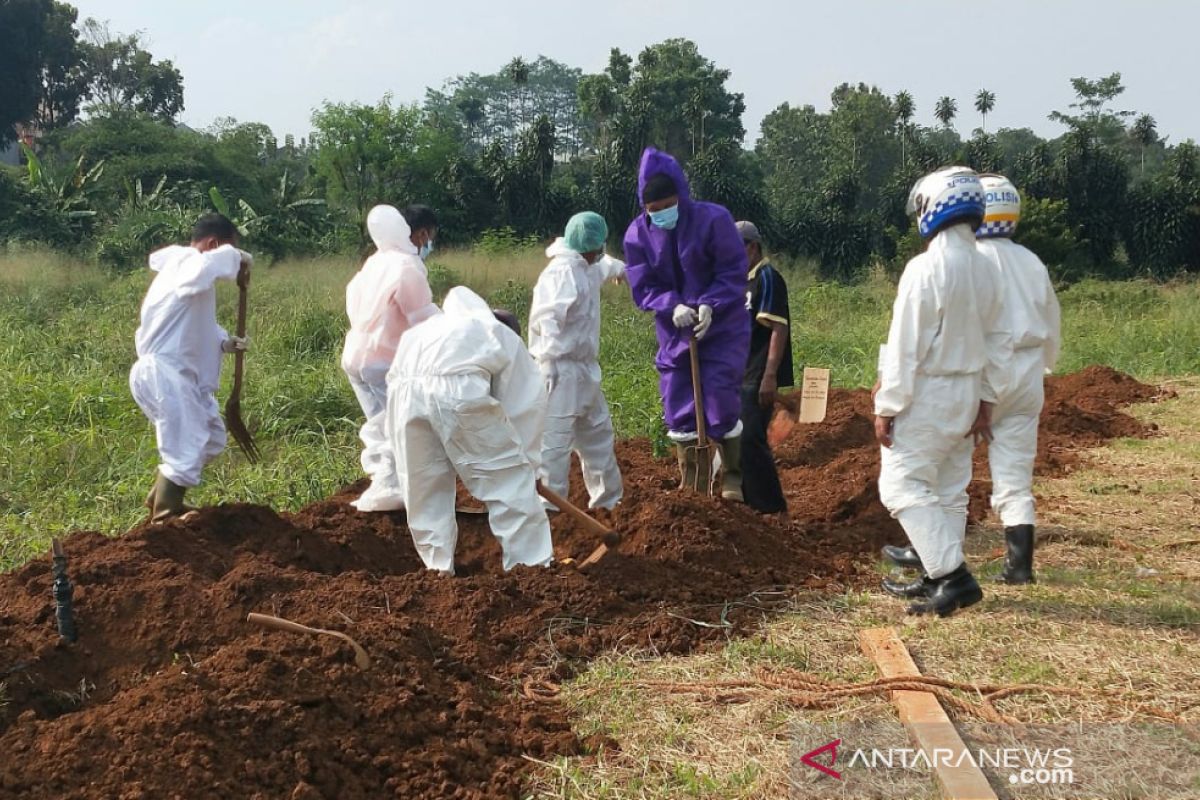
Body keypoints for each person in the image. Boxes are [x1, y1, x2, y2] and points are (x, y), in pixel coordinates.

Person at [874, 167, 1012, 616]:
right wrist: (987, 402)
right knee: (950, 488)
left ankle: (954, 578)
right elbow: (1000, 342)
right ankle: (937, 574)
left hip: (929, 392)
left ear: (933, 206)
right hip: (969, 390)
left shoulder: (926, 268)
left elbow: (904, 345)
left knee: (902, 486)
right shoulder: (989, 268)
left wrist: (887, 403)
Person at [387, 286, 552, 574]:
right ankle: (532, 571)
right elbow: (525, 407)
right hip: (458, 390)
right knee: (509, 484)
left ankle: (438, 570)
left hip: (403, 394)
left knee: (424, 487)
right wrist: (528, 467)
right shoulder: (498, 335)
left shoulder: (423, 332)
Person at [623, 147, 751, 499]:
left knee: (720, 401)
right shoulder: (637, 235)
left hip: (722, 327)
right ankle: (692, 483)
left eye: (667, 206)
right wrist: (671, 305)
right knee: (679, 403)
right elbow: (643, 284)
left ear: (680, 197)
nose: (661, 214)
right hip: (674, 331)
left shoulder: (713, 220)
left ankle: (732, 478)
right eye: (654, 210)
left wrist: (710, 304)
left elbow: (731, 270)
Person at [130, 213, 252, 522]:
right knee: (185, 443)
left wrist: (225, 343)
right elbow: (206, 267)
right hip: (165, 374)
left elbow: (196, 328)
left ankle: (160, 495)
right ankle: (165, 515)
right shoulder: (186, 263)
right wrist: (238, 258)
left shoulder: (189, 275)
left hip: (180, 374)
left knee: (210, 437)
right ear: (212, 244)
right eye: (227, 249)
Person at [975, 175, 1060, 582]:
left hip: (986, 370)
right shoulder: (1032, 261)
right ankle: (1019, 567)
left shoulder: (971, 259)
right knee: (1015, 469)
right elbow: (1052, 320)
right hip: (1028, 372)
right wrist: (1045, 365)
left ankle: (931, 555)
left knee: (947, 464)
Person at [341, 205, 438, 512]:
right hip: (385, 363)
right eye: (430, 237)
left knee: (380, 426)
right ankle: (390, 493)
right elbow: (423, 319)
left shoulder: (373, 262)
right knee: (399, 428)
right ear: (420, 234)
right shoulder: (407, 267)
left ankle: (387, 489)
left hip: (355, 358)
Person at [528, 211, 625, 510]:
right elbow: (548, 318)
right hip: (559, 369)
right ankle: (551, 511)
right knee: (554, 444)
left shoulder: (588, 265)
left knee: (597, 434)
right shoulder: (561, 273)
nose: (602, 251)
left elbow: (608, 266)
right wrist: (552, 359)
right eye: (599, 245)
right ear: (589, 244)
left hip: (584, 369)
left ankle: (608, 504)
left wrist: (624, 271)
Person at [735, 220, 793, 514]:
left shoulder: (767, 278)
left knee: (750, 439)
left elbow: (777, 329)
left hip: (758, 372)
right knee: (738, 440)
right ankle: (749, 505)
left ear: (752, 248)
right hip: (739, 371)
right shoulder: (741, 280)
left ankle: (772, 508)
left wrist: (769, 375)